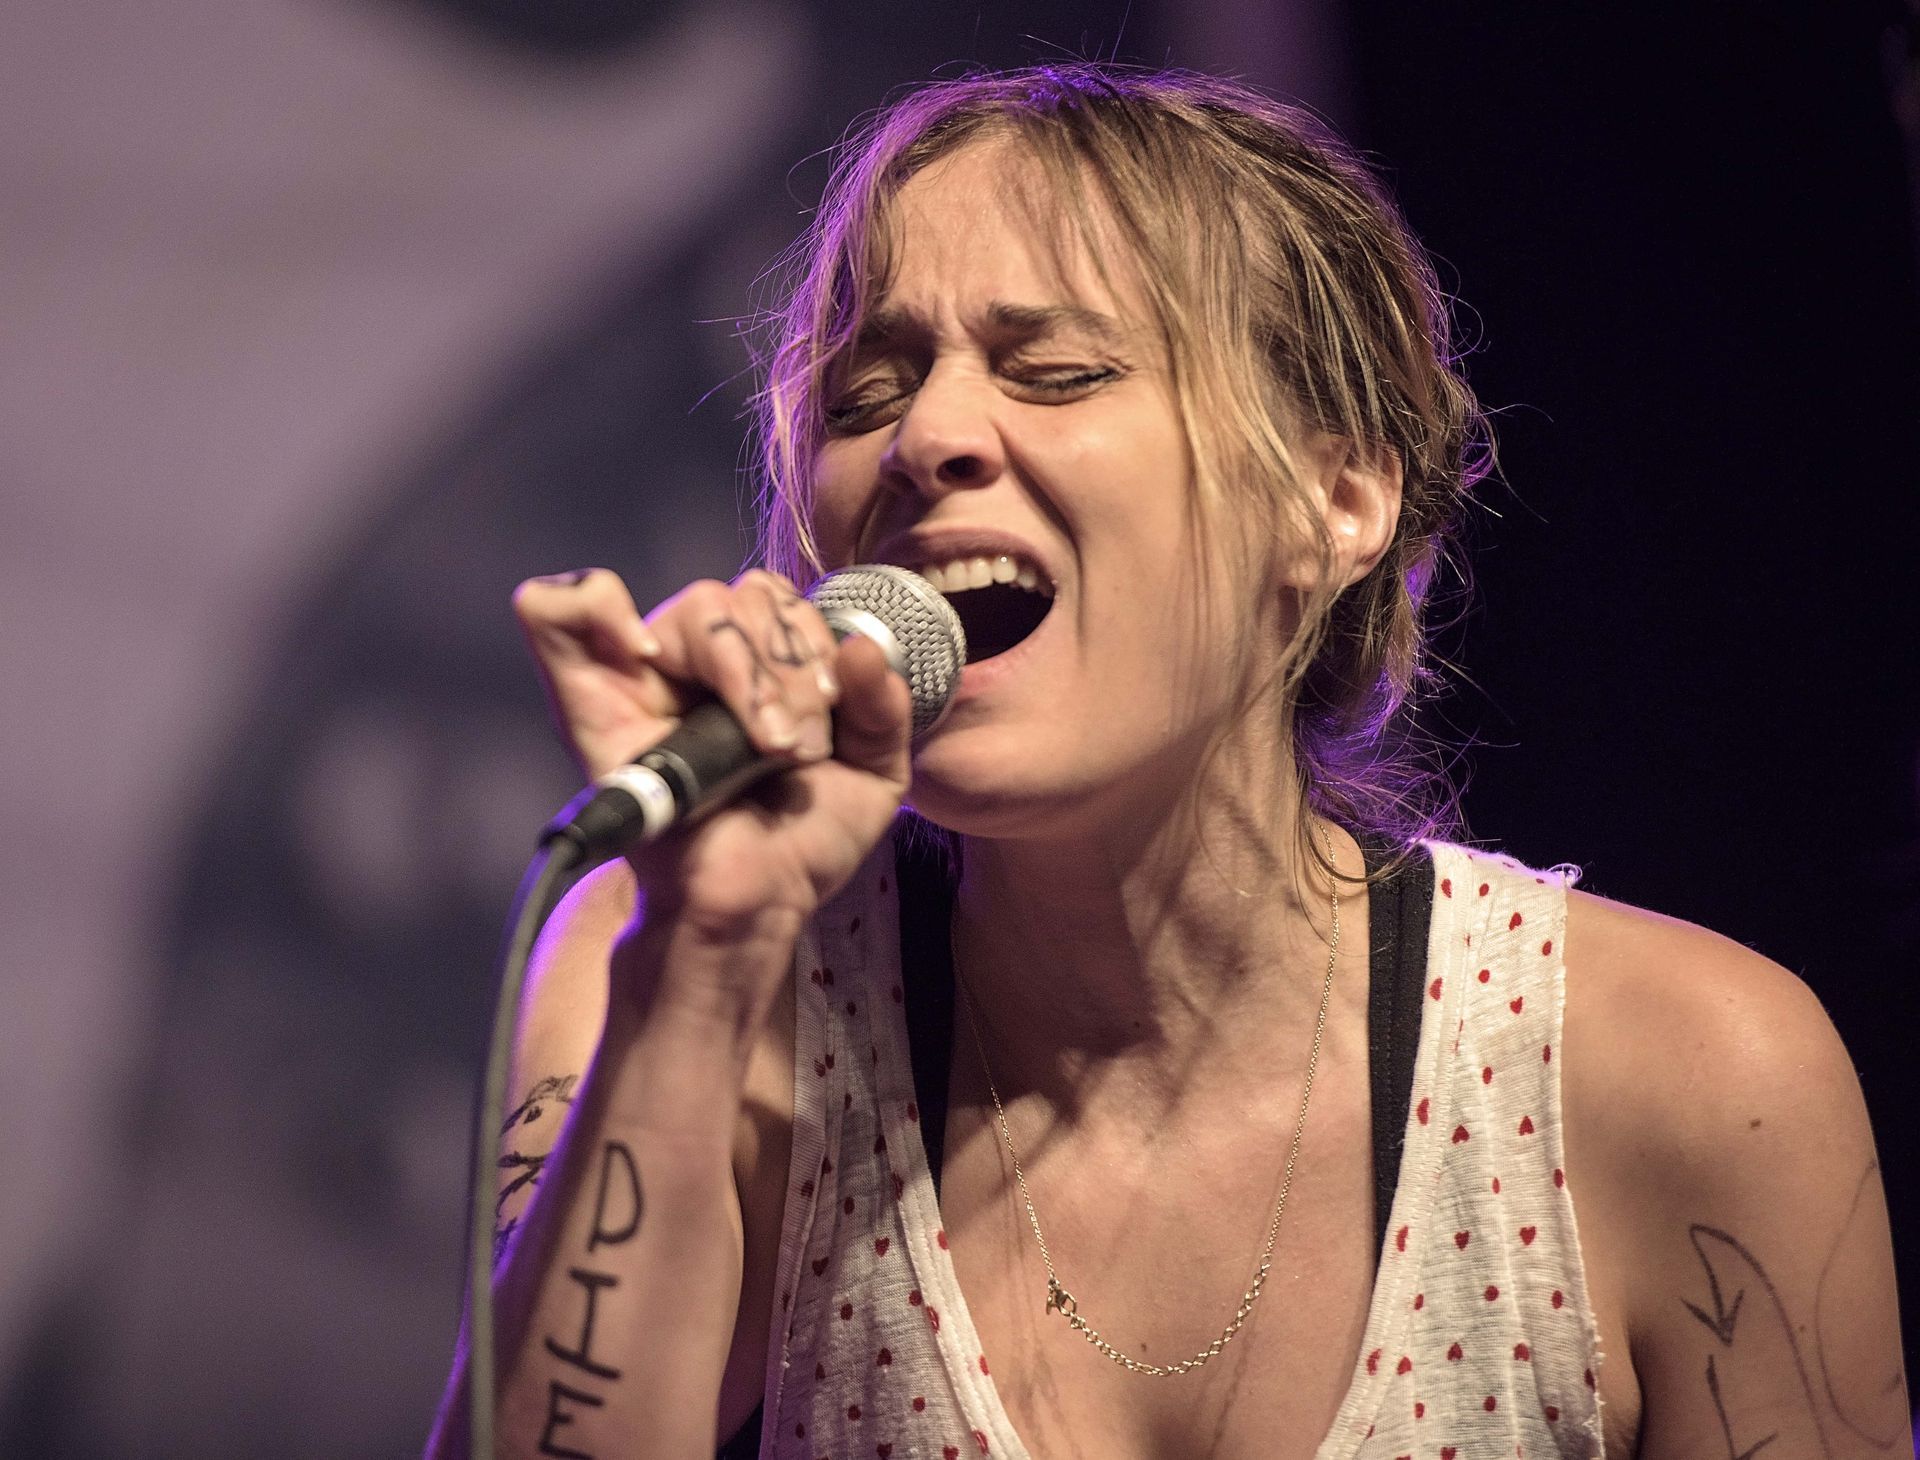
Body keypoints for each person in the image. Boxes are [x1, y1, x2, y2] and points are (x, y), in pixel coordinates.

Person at [427, 65, 1910, 1459]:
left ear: (1336, 503)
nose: (928, 435)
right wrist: (700, 966)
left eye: (1057, 370)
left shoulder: (1689, 1077)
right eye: (867, 396)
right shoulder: (689, 971)